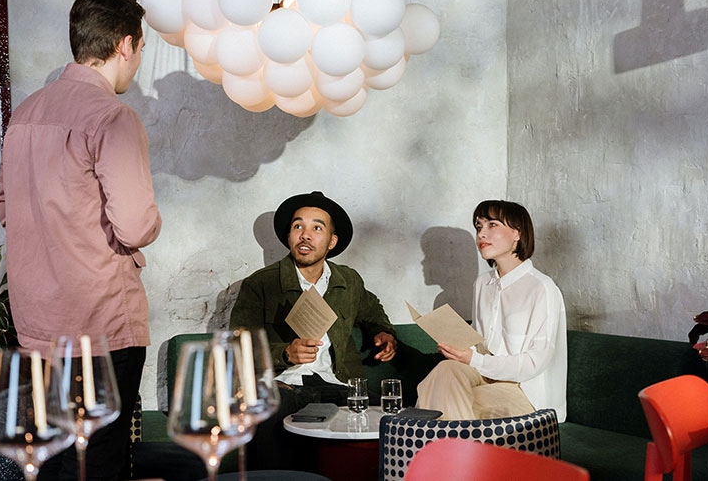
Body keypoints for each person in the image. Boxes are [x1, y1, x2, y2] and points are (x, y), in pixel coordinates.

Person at [0, 0, 160, 480]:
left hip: (37, 325)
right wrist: (151, 221)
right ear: (126, 44)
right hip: (100, 324)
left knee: (50, 461)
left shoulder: (23, 115)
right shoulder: (112, 116)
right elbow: (135, 224)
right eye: (142, 48)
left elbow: (7, 209)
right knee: (98, 462)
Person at [230, 191, 397, 469]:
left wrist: (384, 334)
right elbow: (237, 346)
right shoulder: (260, 284)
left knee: (391, 416)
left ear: (332, 241)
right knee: (269, 409)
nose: (305, 235)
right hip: (284, 386)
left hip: (339, 386)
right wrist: (285, 352)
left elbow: (373, 312)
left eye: (316, 228)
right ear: (289, 237)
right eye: (298, 227)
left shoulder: (348, 281)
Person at [416, 200, 567, 422]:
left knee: (449, 399)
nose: (481, 235)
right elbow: (480, 344)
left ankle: (436, 450)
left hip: (526, 392)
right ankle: (455, 452)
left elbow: (534, 363)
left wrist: (473, 360)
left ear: (517, 233)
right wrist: (458, 348)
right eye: (479, 227)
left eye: (492, 225)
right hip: (484, 376)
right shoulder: (482, 284)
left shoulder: (541, 288)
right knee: (445, 371)